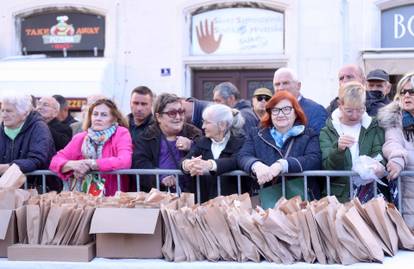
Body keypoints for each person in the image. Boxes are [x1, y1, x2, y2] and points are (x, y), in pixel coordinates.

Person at [238, 91, 321, 200]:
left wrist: (283, 165)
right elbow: (243, 156)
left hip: (301, 200)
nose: (281, 114)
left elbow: (314, 159)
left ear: (296, 112)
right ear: (270, 113)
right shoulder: (256, 134)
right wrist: (256, 165)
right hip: (264, 200)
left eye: (286, 109)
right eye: (275, 110)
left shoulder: (309, 134)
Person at [49, 99, 132, 196]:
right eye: (95, 114)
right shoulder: (80, 137)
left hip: (114, 197)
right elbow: (55, 161)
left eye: (104, 115)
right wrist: (72, 164)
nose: (98, 118)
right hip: (85, 197)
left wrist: (93, 164)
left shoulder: (121, 133)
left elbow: (125, 160)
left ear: (114, 118)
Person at [320, 82, 385, 203]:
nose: (355, 116)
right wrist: (338, 149)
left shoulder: (373, 126)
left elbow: (380, 153)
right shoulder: (327, 131)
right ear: (340, 105)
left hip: (370, 195)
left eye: (360, 110)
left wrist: (378, 165)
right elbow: (327, 167)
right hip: (339, 198)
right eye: (349, 111)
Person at [133, 93, 202, 192]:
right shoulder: (146, 137)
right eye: (172, 113)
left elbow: (207, 153)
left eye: (181, 112)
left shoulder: (194, 133)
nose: (178, 117)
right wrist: (161, 177)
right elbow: (140, 164)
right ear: (158, 117)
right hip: (158, 196)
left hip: (191, 196)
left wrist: (192, 145)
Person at [181, 104, 246, 202]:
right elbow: (186, 159)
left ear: (222, 125)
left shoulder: (240, 141)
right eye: (203, 122)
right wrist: (187, 164)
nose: (203, 126)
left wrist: (210, 165)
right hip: (205, 203)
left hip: (232, 205)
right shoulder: (202, 141)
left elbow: (235, 161)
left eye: (207, 123)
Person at [378, 72, 414, 229]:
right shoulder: (395, 118)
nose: (406, 96)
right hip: (408, 190)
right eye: (403, 92)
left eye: (412, 92)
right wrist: (397, 159)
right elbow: (392, 143)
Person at [0, 94, 55, 175]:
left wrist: (8, 167)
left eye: (8, 111)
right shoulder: (1, 129)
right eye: (2, 110)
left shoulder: (39, 128)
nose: (4, 115)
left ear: (24, 114)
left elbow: (37, 159)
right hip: (5, 185)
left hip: (35, 185)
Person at [273, 67, 327, 133]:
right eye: (277, 84)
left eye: (285, 83)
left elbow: (319, 140)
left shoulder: (316, 111)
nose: (281, 88)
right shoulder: (271, 113)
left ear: (298, 86)